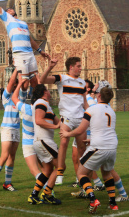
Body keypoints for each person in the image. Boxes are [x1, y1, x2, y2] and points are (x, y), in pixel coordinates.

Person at [61, 86, 118, 213]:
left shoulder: (91, 110)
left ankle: (93, 199)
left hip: (98, 147)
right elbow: (105, 130)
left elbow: (81, 129)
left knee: (81, 173)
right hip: (112, 147)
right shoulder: (112, 112)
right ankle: (113, 203)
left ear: (98, 96)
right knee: (107, 173)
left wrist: (67, 134)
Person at [40, 57, 88, 186]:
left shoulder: (82, 83)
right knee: (64, 141)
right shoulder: (62, 78)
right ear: (71, 67)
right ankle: (60, 173)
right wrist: (50, 67)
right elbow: (42, 80)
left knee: (82, 148)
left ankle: (81, 177)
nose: (80, 68)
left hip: (80, 118)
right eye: (78, 66)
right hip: (67, 117)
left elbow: (85, 103)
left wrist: (90, 116)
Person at [28, 84, 61, 205]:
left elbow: (60, 123)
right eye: (48, 89)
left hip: (42, 141)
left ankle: (33, 195)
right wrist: (55, 126)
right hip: (44, 141)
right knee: (60, 166)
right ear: (44, 92)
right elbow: (39, 120)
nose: (50, 91)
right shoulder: (41, 102)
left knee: (47, 170)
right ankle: (47, 194)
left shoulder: (47, 105)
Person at [0, 70, 23, 193]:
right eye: (14, 86)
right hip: (7, 128)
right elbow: (10, 83)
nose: (15, 87)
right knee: (4, 156)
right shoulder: (6, 98)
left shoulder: (21, 99)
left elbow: (24, 85)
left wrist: (22, 75)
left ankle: (7, 183)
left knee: (12, 157)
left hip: (16, 128)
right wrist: (16, 69)